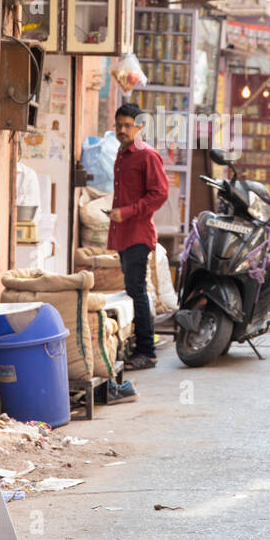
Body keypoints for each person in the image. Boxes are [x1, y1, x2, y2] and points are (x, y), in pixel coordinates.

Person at [108, 103, 170, 371]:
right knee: (134, 289)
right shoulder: (122, 154)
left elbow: (160, 193)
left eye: (127, 125)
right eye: (118, 125)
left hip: (138, 234)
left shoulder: (146, 155)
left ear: (140, 126)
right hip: (123, 234)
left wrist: (128, 212)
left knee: (137, 290)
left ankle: (147, 351)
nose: (122, 130)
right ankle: (141, 345)